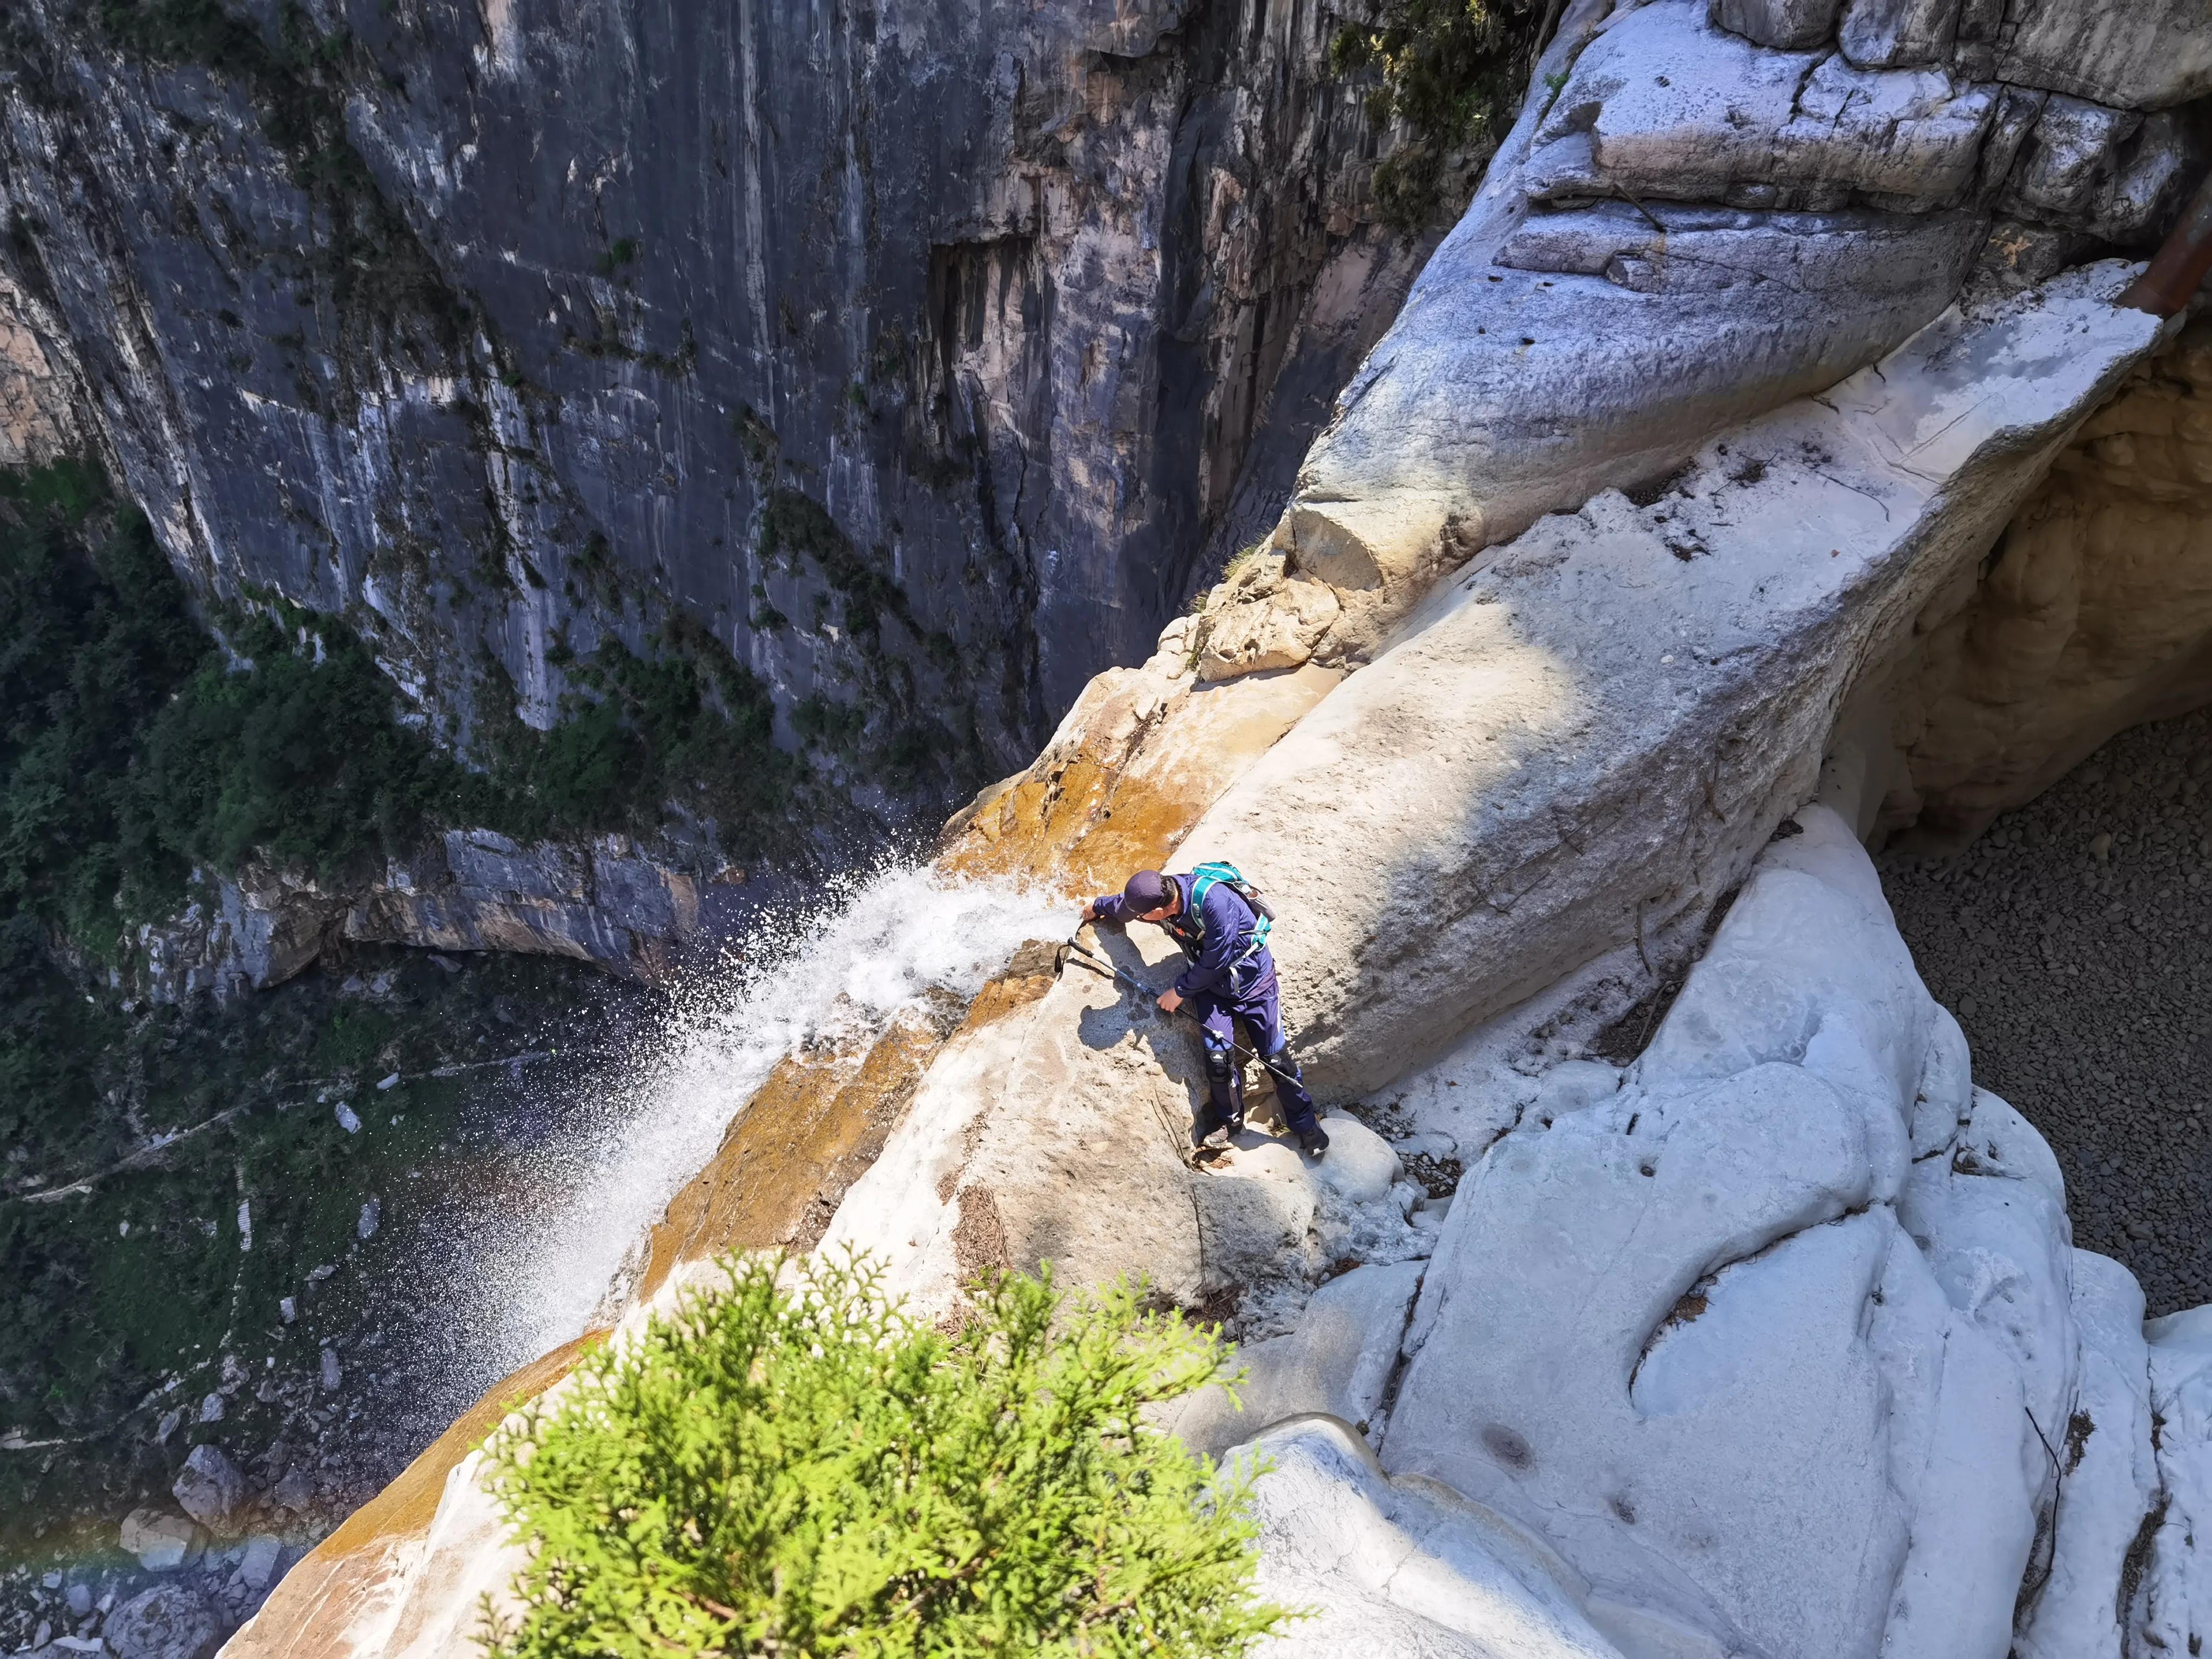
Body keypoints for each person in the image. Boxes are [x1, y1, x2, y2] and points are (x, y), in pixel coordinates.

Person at [1083, 867, 1330, 1158]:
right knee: (1218, 1059)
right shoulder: (1155, 898)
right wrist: (1096, 907)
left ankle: (1305, 1124)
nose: (1140, 919)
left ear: (1162, 910)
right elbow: (1123, 906)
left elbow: (1216, 960)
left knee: (1276, 1059)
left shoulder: (1215, 903)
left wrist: (1179, 993)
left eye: (1143, 916)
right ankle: (1231, 1121)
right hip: (1213, 992)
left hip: (1255, 984)